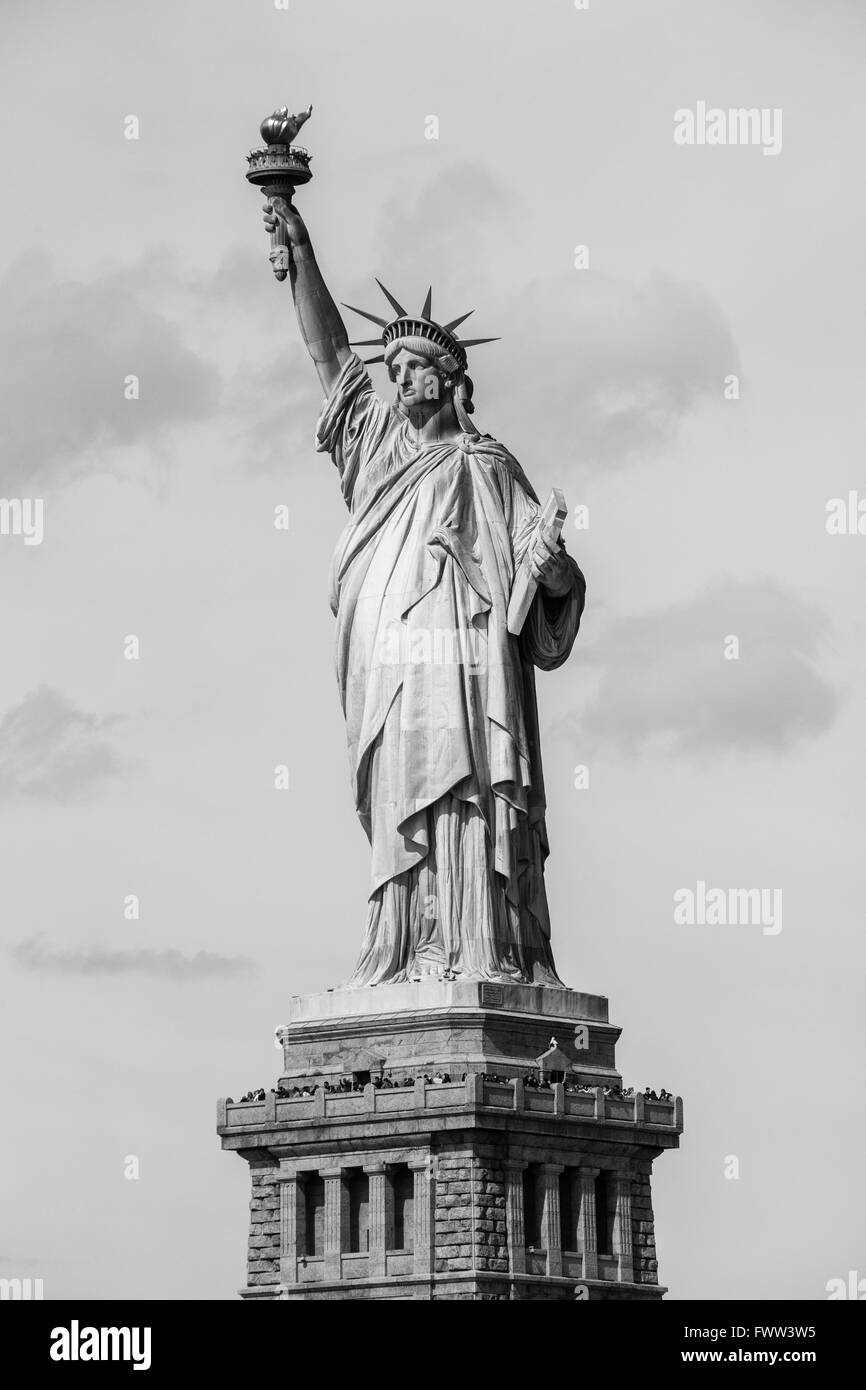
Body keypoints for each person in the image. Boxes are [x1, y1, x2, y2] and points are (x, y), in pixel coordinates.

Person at [263, 197, 586, 988]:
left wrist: (551, 573)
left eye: (414, 367)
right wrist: (299, 247)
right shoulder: (375, 450)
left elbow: (545, 584)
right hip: (395, 660)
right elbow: (330, 358)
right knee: (407, 783)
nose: (398, 375)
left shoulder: (489, 465)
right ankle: (406, 946)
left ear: (450, 381)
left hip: (472, 664)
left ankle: (483, 944)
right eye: (394, 367)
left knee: (471, 784)